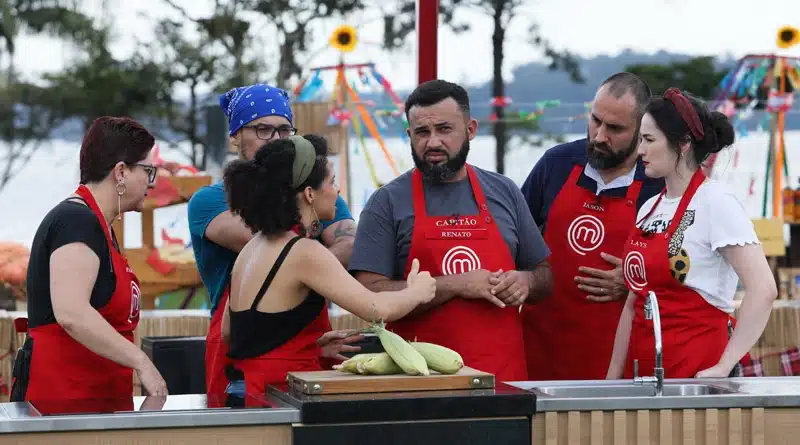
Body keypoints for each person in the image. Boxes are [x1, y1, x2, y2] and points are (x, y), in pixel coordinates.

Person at [349, 79, 553, 381]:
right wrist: (457, 284)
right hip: (418, 384)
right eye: (422, 132)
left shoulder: (505, 191)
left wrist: (527, 281)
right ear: (409, 135)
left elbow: (545, 276)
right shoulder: (387, 202)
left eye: (444, 129)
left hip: (504, 385)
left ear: (470, 129)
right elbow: (369, 297)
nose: (432, 142)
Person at [220, 134, 436, 396]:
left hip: (249, 391)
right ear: (309, 193)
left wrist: (306, 347)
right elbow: (377, 310)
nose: (337, 190)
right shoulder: (303, 251)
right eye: (332, 182)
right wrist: (417, 291)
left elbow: (231, 334)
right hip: (282, 396)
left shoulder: (251, 248)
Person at [188, 84, 360, 403]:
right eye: (263, 129)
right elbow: (270, 248)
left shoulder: (319, 191)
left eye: (284, 129)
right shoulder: (209, 200)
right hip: (238, 348)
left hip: (310, 340)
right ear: (235, 137)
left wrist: (306, 272)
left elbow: (350, 243)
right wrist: (313, 266)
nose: (277, 139)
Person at [606, 87, 777, 380]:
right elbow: (635, 301)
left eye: (648, 140)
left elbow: (764, 290)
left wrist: (723, 367)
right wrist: (612, 378)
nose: (640, 151)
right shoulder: (650, 207)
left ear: (683, 144)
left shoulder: (715, 202)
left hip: (697, 374)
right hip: (643, 376)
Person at [12, 116, 168, 412]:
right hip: (66, 406)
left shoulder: (101, 225)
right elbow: (72, 312)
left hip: (98, 404)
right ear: (121, 171)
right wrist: (141, 362)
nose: (153, 182)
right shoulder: (76, 221)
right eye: (148, 171)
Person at [520, 73, 665, 381]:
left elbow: (685, 269)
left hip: (619, 360)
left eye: (615, 129)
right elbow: (513, 241)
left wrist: (636, 282)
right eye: (595, 121)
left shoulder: (659, 183)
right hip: (541, 350)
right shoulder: (556, 164)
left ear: (642, 131)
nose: (599, 136)